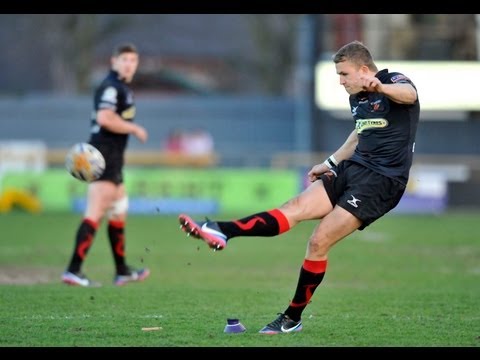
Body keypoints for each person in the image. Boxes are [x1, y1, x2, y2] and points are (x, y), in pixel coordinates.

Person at [178, 40, 420, 333]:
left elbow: (409, 95)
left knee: (318, 242)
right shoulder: (357, 97)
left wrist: (380, 87)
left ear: (364, 69)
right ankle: (221, 229)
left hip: (382, 181)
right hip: (353, 169)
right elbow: (359, 134)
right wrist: (330, 163)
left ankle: (292, 318)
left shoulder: (392, 81)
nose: (340, 81)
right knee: (293, 208)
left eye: (344, 74)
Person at [62, 43, 150, 287]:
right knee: (95, 212)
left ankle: (122, 271)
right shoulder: (111, 86)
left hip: (113, 157)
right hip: (103, 156)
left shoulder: (122, 87)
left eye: (133, 60)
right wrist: (133, 127)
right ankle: (73, 270)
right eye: (124, 59)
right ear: (114, 61)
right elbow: (104, 117)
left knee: (119, 208)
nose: (129, 64)